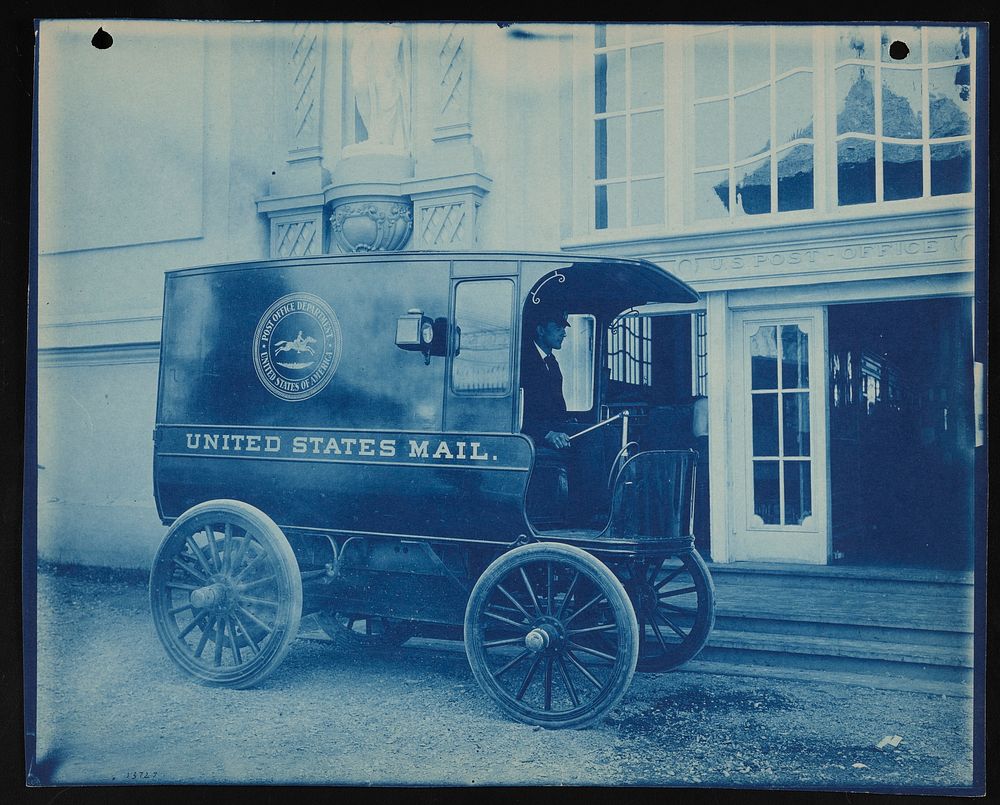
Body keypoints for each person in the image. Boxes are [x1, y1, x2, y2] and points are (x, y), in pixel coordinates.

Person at [520, 307, 574, 451]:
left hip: (554, 427)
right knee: (593, 439)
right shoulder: (524, 362)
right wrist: (546, 434)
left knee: (607, 432)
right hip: (533, 435)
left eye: (563, 328)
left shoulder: (551, 362)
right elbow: (518, 412)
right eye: (558, 328)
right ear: (541, 331)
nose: (564, 334)